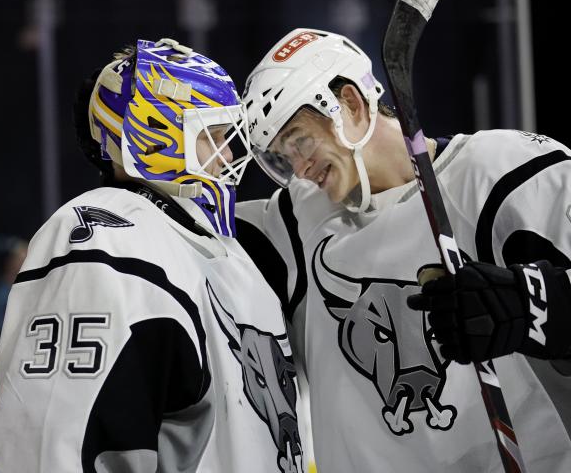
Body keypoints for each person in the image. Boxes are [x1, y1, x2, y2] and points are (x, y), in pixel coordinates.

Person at [235, 28, 571, 472]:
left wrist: (531, 304)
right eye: (283, 156)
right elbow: (185, 240)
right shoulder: (298, 223)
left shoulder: (498, 174)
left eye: (300, 140)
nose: (300, 168)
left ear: (351, 104)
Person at [0, 38, 305, 473]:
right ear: (154, 135)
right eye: (212, 136)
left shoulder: (223, 251)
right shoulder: (107, 237)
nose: (229, 155)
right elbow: (55, 447)